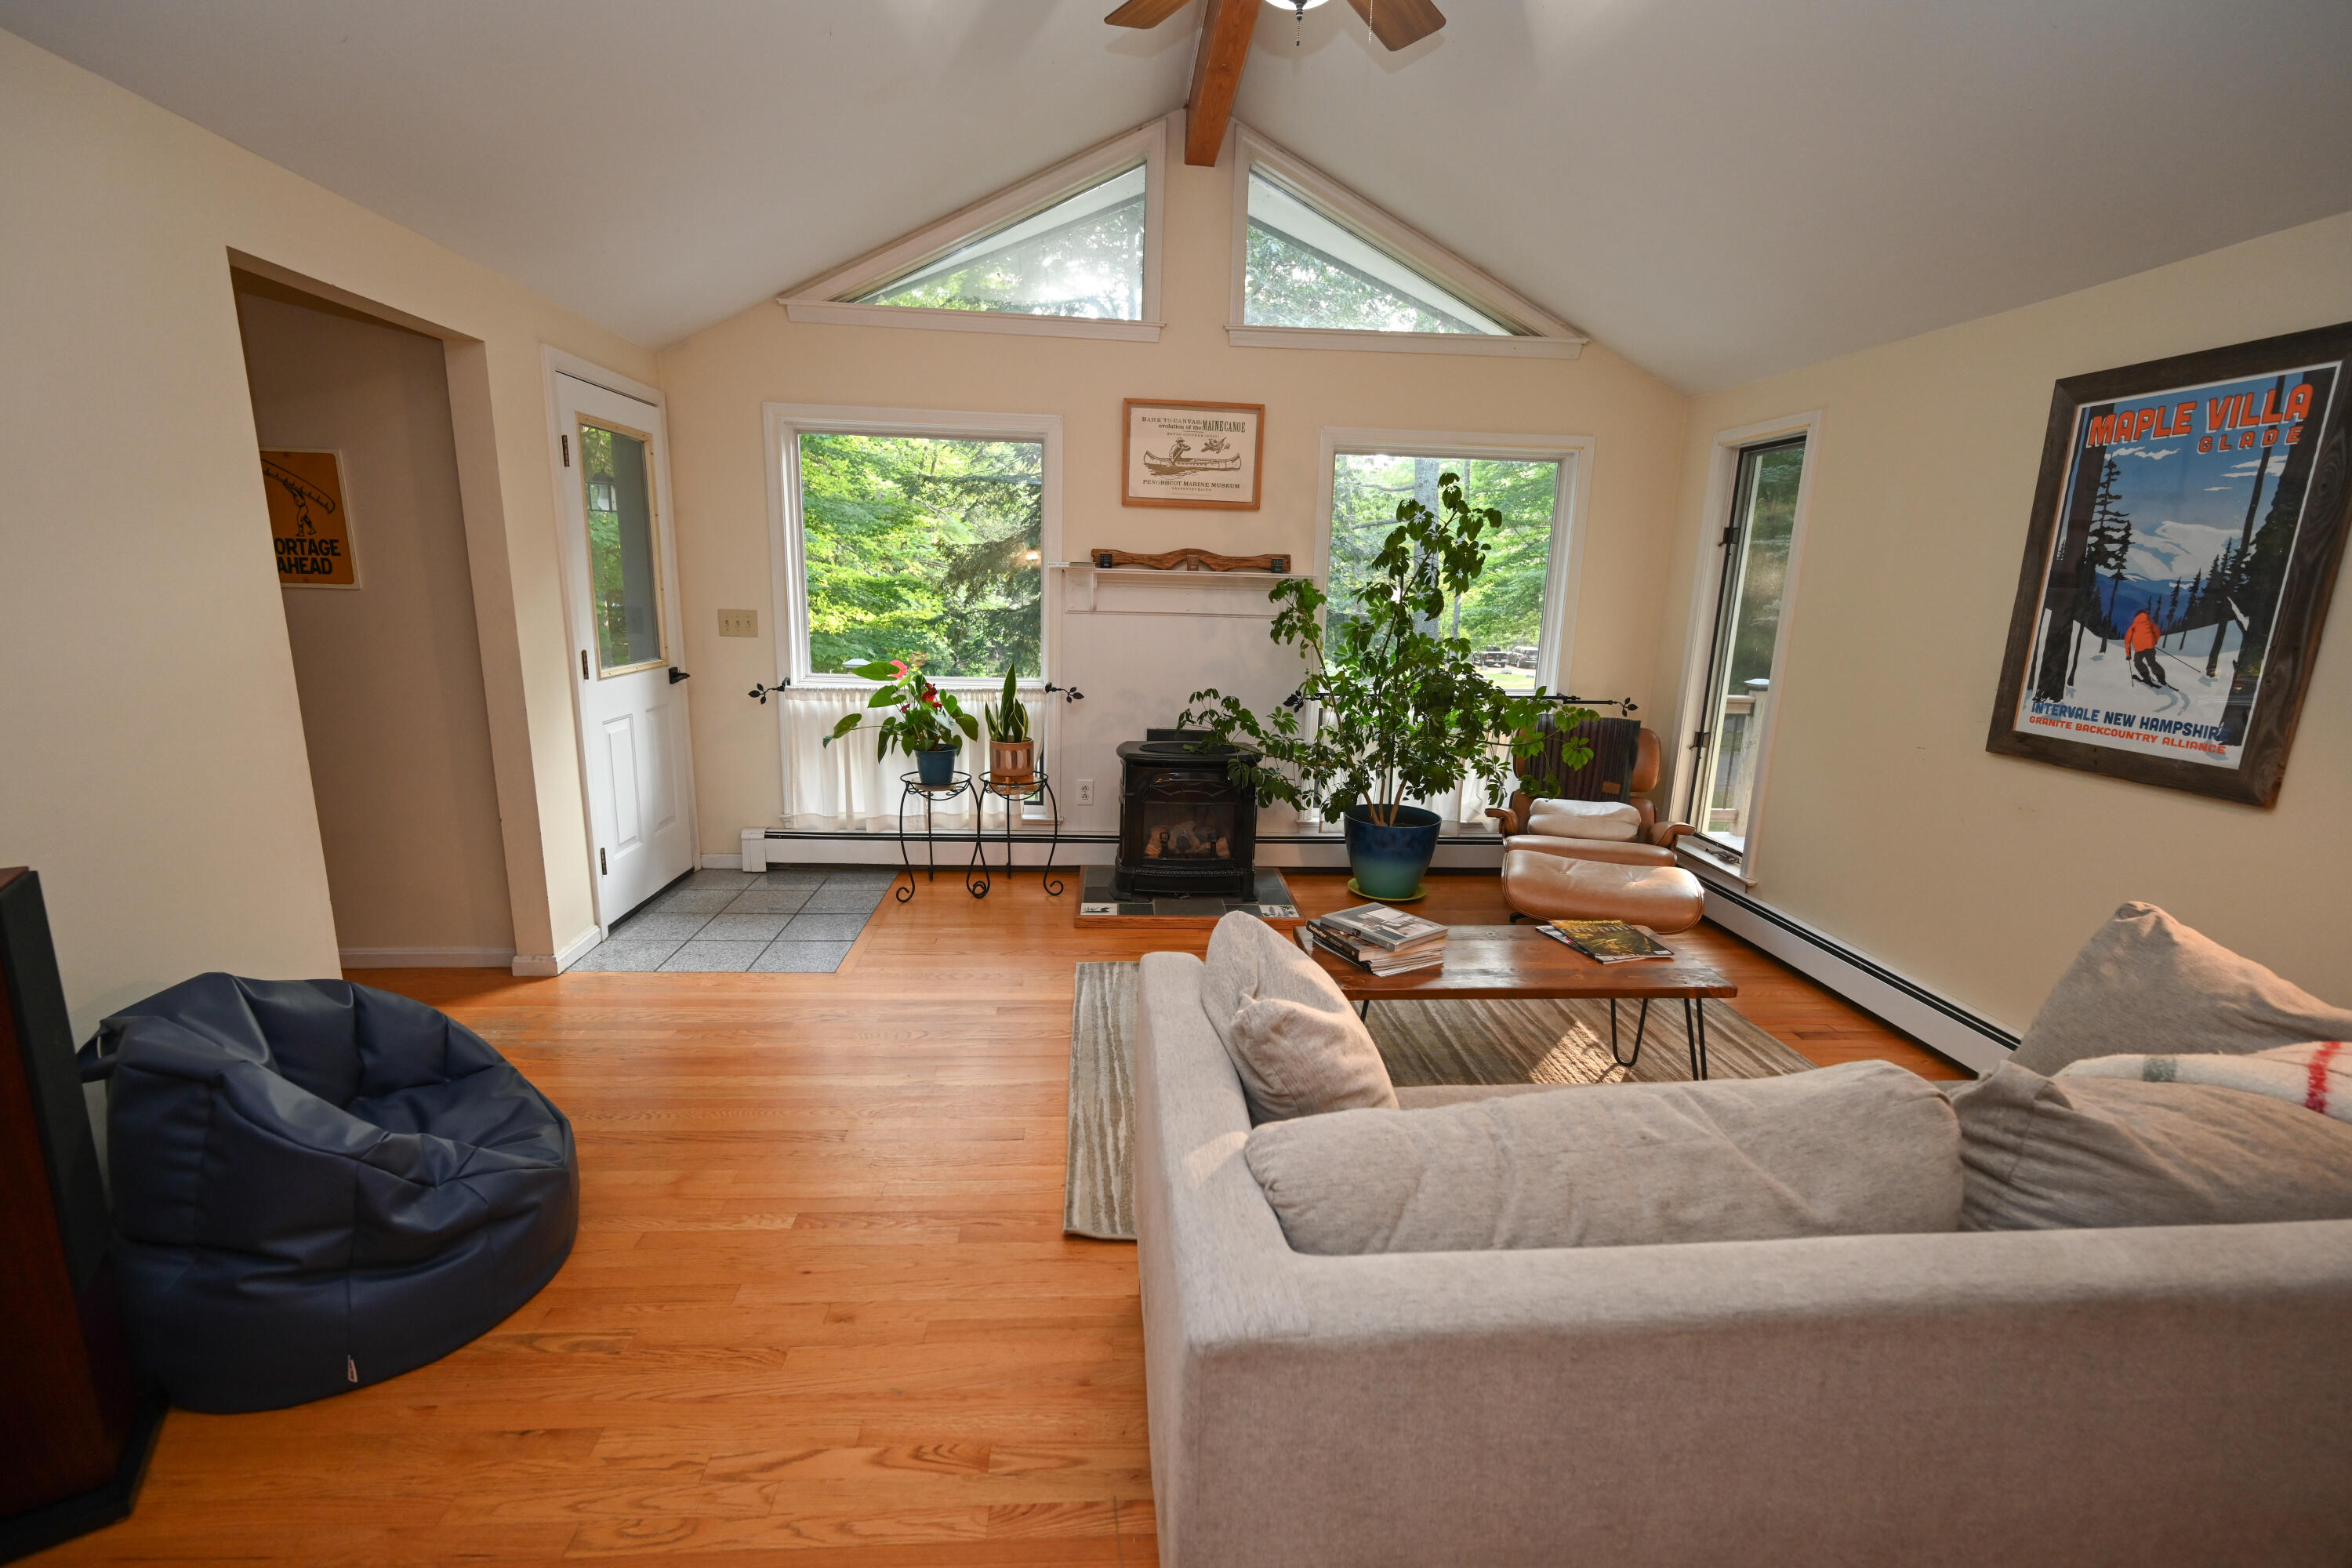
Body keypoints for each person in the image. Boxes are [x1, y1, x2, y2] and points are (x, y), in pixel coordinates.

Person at [2125, 608, 2168, 688]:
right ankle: (2162, 679)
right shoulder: (2150, 623)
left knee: (2138, 663)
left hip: (2139, 649)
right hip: (2150, 648)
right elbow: (2157, 633)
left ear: (2136, 616)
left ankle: (2147, 678)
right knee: (2152, 662)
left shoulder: (2133, 626)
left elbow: (2127, 640)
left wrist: (2128, 654)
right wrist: (2154, 642)